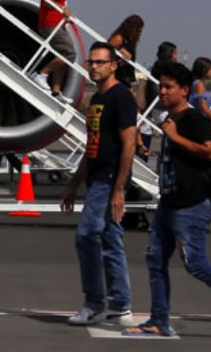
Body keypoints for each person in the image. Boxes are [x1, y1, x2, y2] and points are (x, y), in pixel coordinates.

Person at [123, 63, 211, 339]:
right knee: (155, 259)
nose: (162, 91)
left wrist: (175, 137)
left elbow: (209, 152)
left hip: (190, 204)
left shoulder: (192, 119)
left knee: (197, 263)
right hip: (170, 202)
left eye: (168, 87)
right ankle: (158, 320)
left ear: (184, 91)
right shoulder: (171, 119)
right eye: (161, 86)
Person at [60, 42, 136, 325]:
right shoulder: (96, 100)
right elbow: (91, 146)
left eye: (100, 62)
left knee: (87, 235)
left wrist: (118, 188)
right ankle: (119, 303)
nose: (93, 67)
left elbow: (129, 143)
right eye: (91, 62)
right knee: (110, 239)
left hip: (109, 179)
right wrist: (74, 184)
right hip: (95, 177)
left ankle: (94, 302)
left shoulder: (121, 98)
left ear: (113, 65)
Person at [33, 0, 78, 103]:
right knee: (69, 54)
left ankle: (56, 92)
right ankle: (41, 74)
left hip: (57, 25)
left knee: (63, 58)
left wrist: (65, 17)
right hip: (51, 26)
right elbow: (48, 2)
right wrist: (63, 10)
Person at [140, 41, 178, 159]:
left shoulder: (153, 68)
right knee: (169, 137)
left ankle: (143, 158)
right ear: (169, 55)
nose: (177, 57)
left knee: (146, 130)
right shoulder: (170, 71)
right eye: (175, 54)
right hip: (162, 109)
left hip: (153, 108)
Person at [106, 15, 144, 87]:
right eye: (137, 30)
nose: (139, 33)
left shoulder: (130, 42)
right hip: (117, 77)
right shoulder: (118, 39)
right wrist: (120, 51)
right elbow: (106, 51)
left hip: (126, 79)